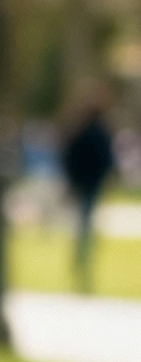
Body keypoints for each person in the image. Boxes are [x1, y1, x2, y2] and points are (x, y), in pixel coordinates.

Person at [60, 96, 117, 290]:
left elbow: (68, 158)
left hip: (82, 183)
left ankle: (81, 255)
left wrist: (71, 181)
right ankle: (82, 255)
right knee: (85, 221)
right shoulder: (100, 134)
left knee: (83, 220)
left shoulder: (80, 132)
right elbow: (107, 161)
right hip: (91, 184)